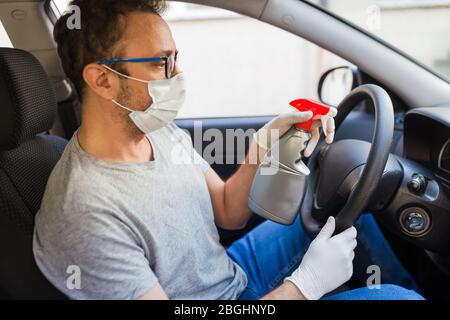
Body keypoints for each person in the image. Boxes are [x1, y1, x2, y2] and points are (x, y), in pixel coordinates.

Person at [33, 0, 423, 300]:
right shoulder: (84, 212)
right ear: (102, 79)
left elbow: (227, 211)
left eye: (175, 58)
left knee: (349, 201)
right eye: (160, 63)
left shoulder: (155, 129)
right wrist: (304, 287)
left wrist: (265, 142)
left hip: (232, 274)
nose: (177, 75)